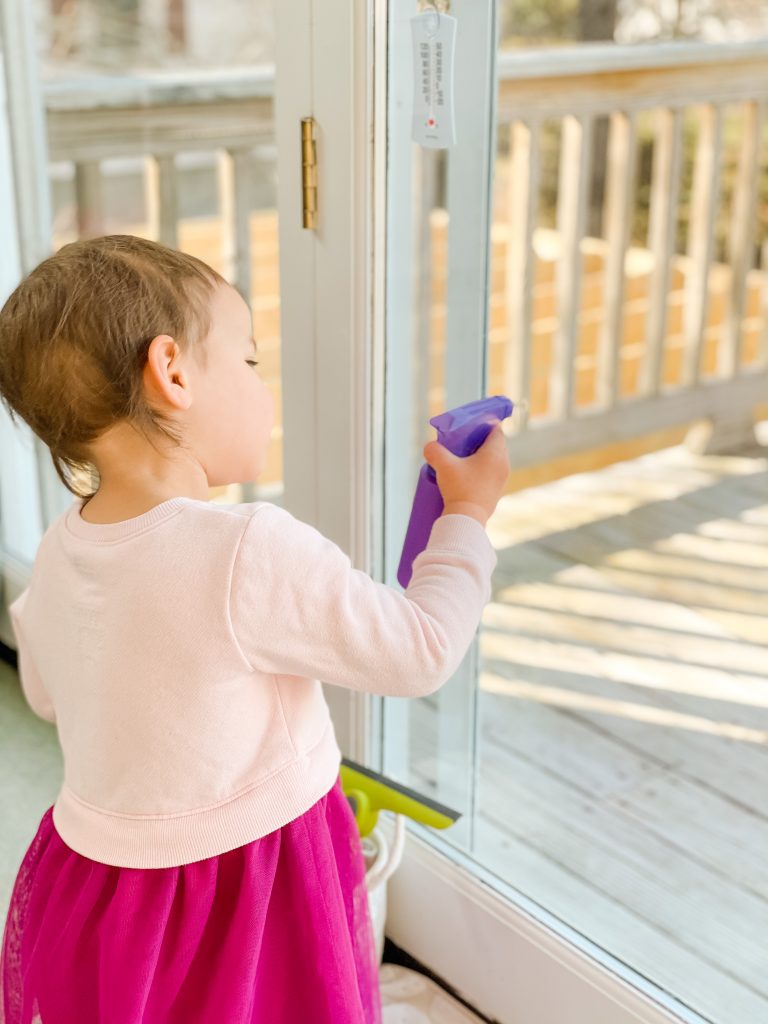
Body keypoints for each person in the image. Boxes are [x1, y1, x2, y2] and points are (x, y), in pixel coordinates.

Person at [0, 235, 510, 1023]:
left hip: (101, 888)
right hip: (253, 890)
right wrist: (468, 516)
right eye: (248, 362)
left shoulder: (62, 549)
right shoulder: (245, 549)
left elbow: (44, 692)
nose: (262, 387)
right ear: (171, 372)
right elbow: (420, 651)